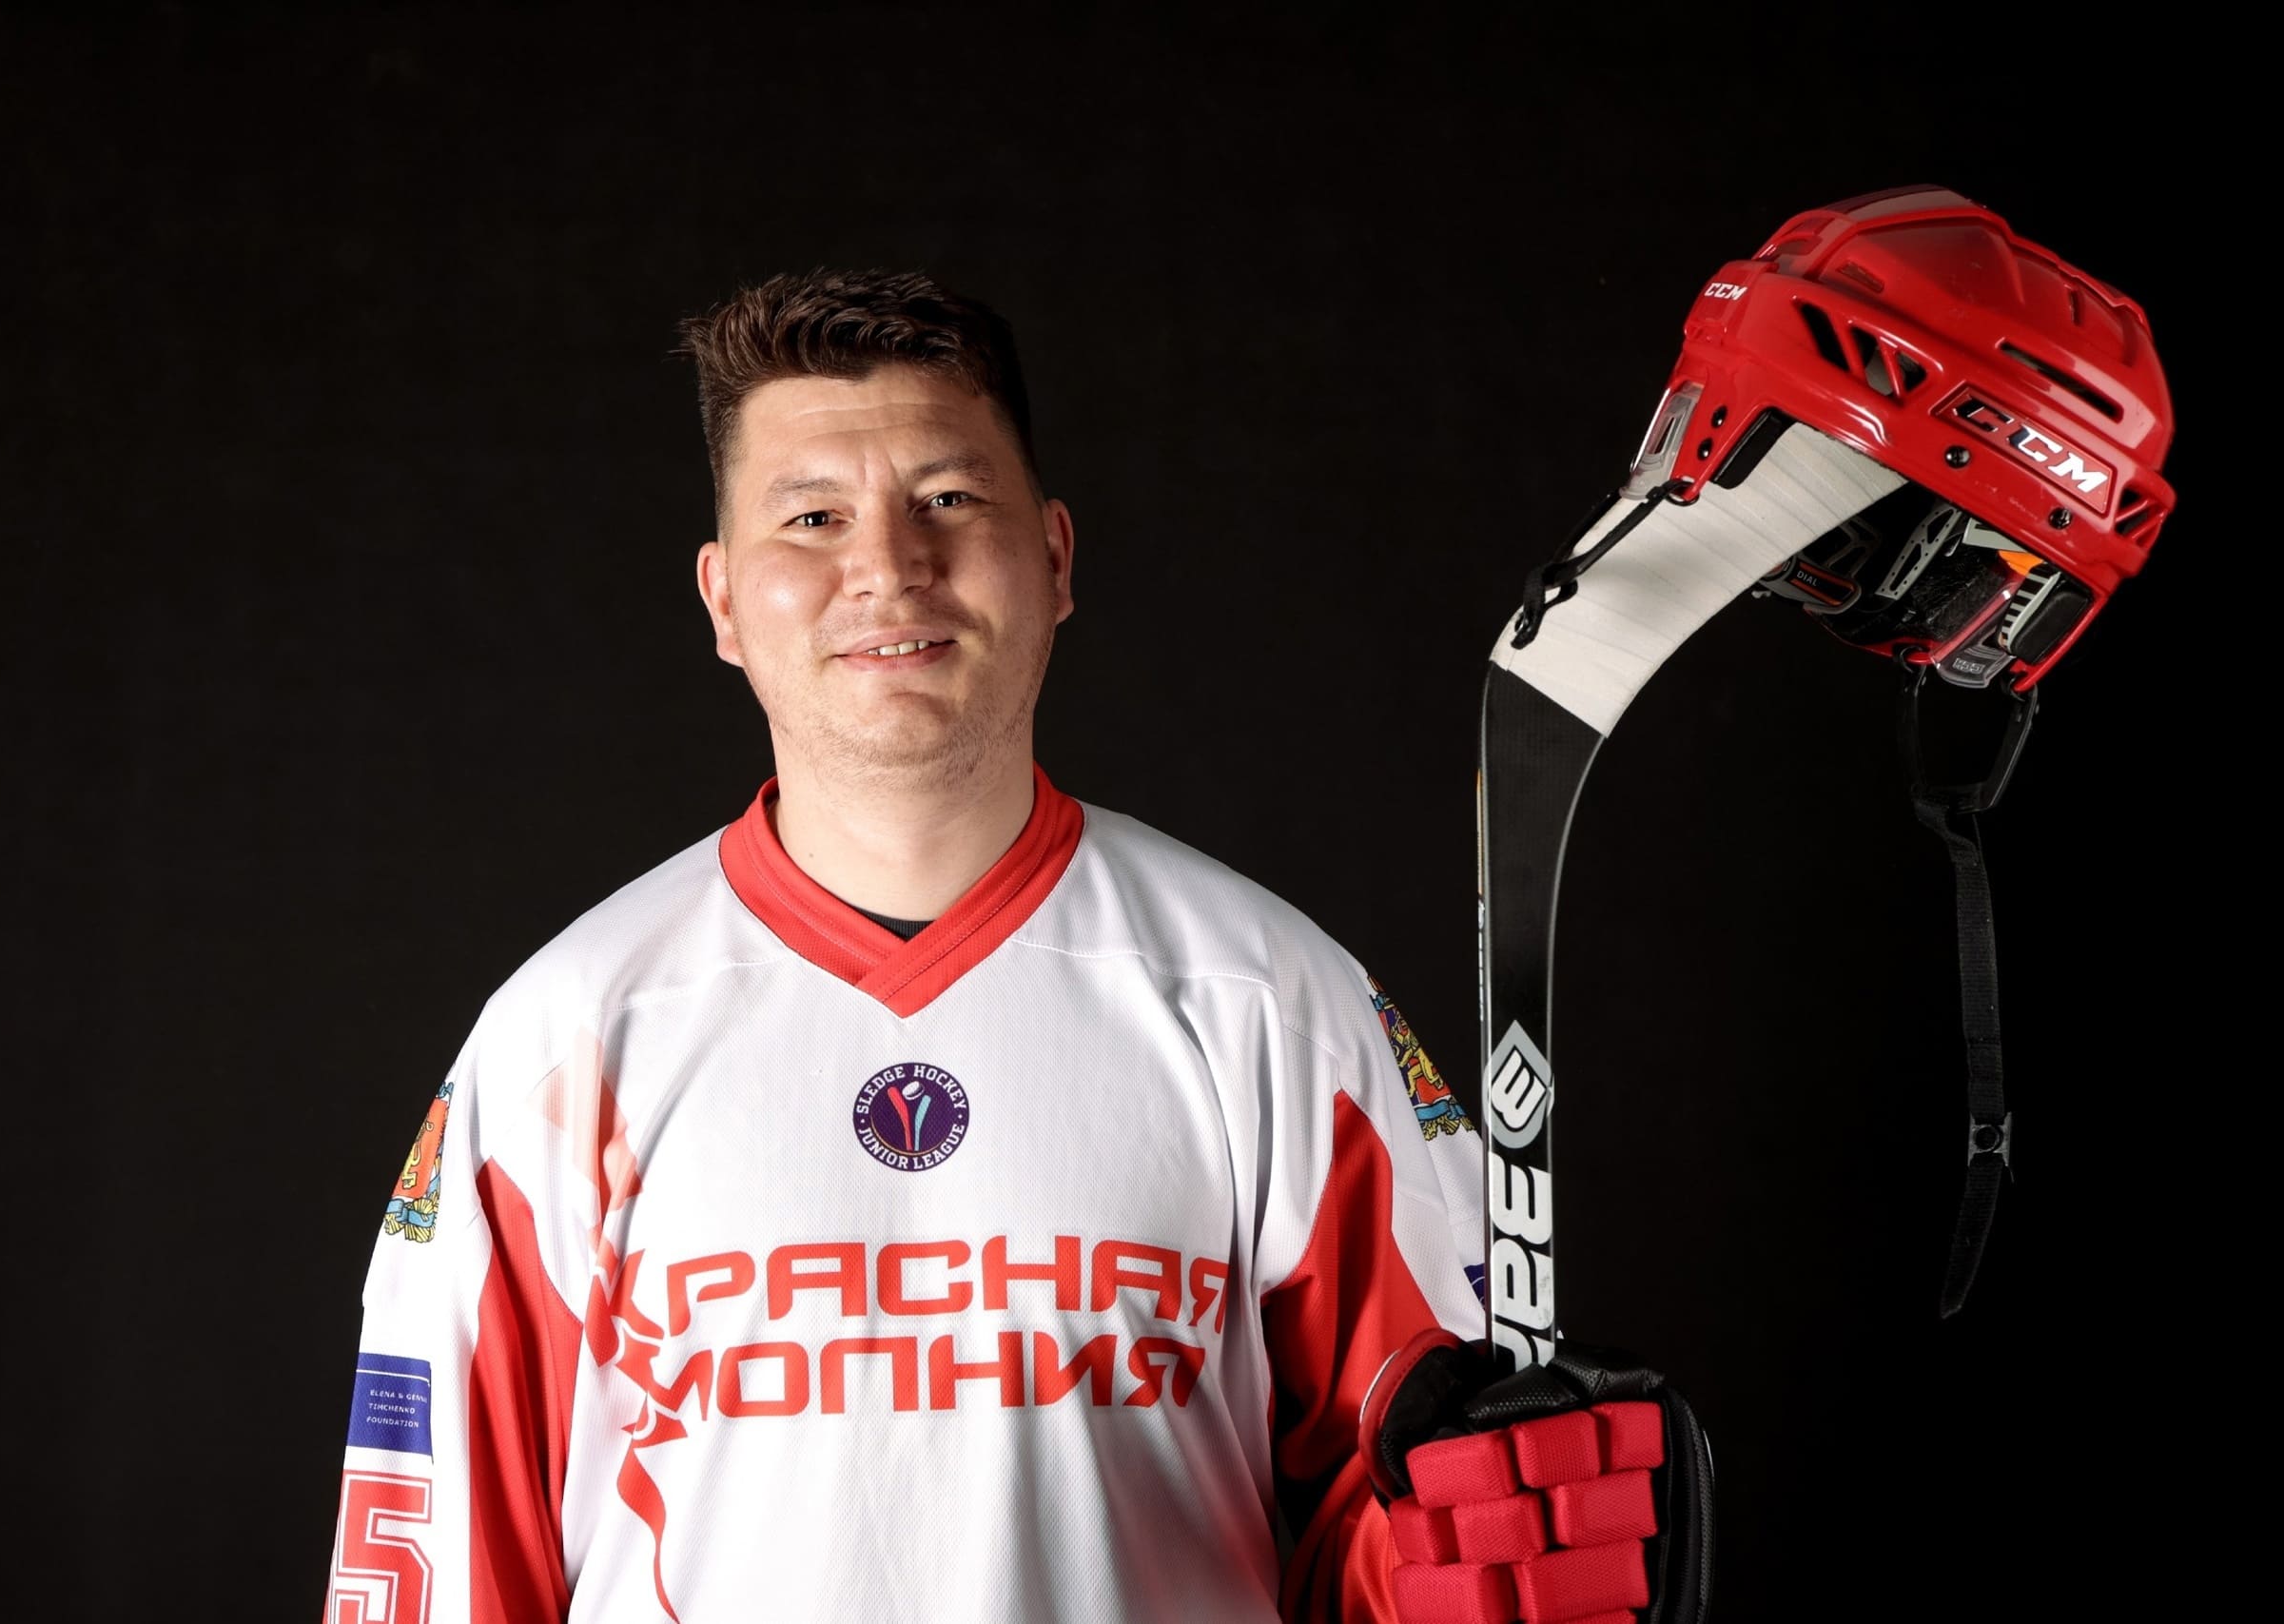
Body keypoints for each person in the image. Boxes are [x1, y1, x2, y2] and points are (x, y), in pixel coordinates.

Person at [317, 268, 1550, 1623]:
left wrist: (1501, 1554)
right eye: (813, 517)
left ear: (1057, 559)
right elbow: (440, 1566)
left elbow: (1418, 1524)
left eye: (950, 500)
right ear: (723, 600)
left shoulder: (1273, 1004)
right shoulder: (565, 1045)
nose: (890, 567)